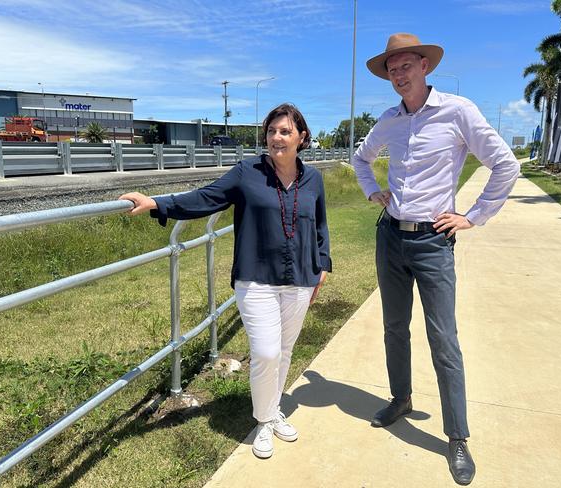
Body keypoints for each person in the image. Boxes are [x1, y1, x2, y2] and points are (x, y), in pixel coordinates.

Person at [353, 33, 520, 485]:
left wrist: (473, 216)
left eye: (406, 65)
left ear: (425, 66)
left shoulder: (458, 112)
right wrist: (374, 192)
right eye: (392, 69)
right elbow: (360, 158)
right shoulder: (388, 120)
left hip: (432, 243)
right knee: (393, 327)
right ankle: (401, 398)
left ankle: (457, 436)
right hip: (390, 236)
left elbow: (505, 164)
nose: (399, 74)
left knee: (443, 339)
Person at [119, 103, 331, 460]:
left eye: (285, 131)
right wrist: (157, 203)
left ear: (302, 138)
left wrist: (322, 265)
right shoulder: (247, 173)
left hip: (300, 279)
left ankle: (273, 408)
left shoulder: (313, 179)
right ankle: (263, 420)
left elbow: (320, 225)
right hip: (256, 278)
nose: (276, 138)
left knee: (284, 351)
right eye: (272, 131)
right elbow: (206, 197)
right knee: (265, 352)